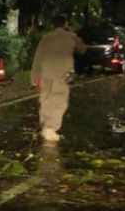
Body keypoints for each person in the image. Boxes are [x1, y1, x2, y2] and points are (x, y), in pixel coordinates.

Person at [30, 14, 86, 143]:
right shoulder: (71, 37)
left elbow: (38, 57)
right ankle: (51, 128)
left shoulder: (46, 38)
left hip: (46, 73)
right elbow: (82, 49)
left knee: (45, 98)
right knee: (59, 101)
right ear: (65, 24)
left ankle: (45, 125)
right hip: (62, 74)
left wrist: (34, 77)